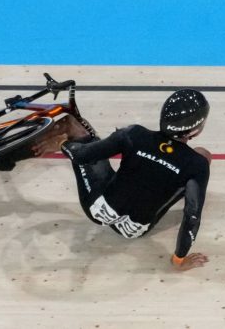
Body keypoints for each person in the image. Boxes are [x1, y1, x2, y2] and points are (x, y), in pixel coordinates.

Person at [35, 89, 213, 272]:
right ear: (196, 130)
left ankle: (19, 150)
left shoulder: (134, 134)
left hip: (98, 208)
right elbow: (192, 216)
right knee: (201, 158)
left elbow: (82, 156)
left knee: (73, 126)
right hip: (132, 230)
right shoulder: (197, 165)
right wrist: (179, 260)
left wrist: (61, 145)